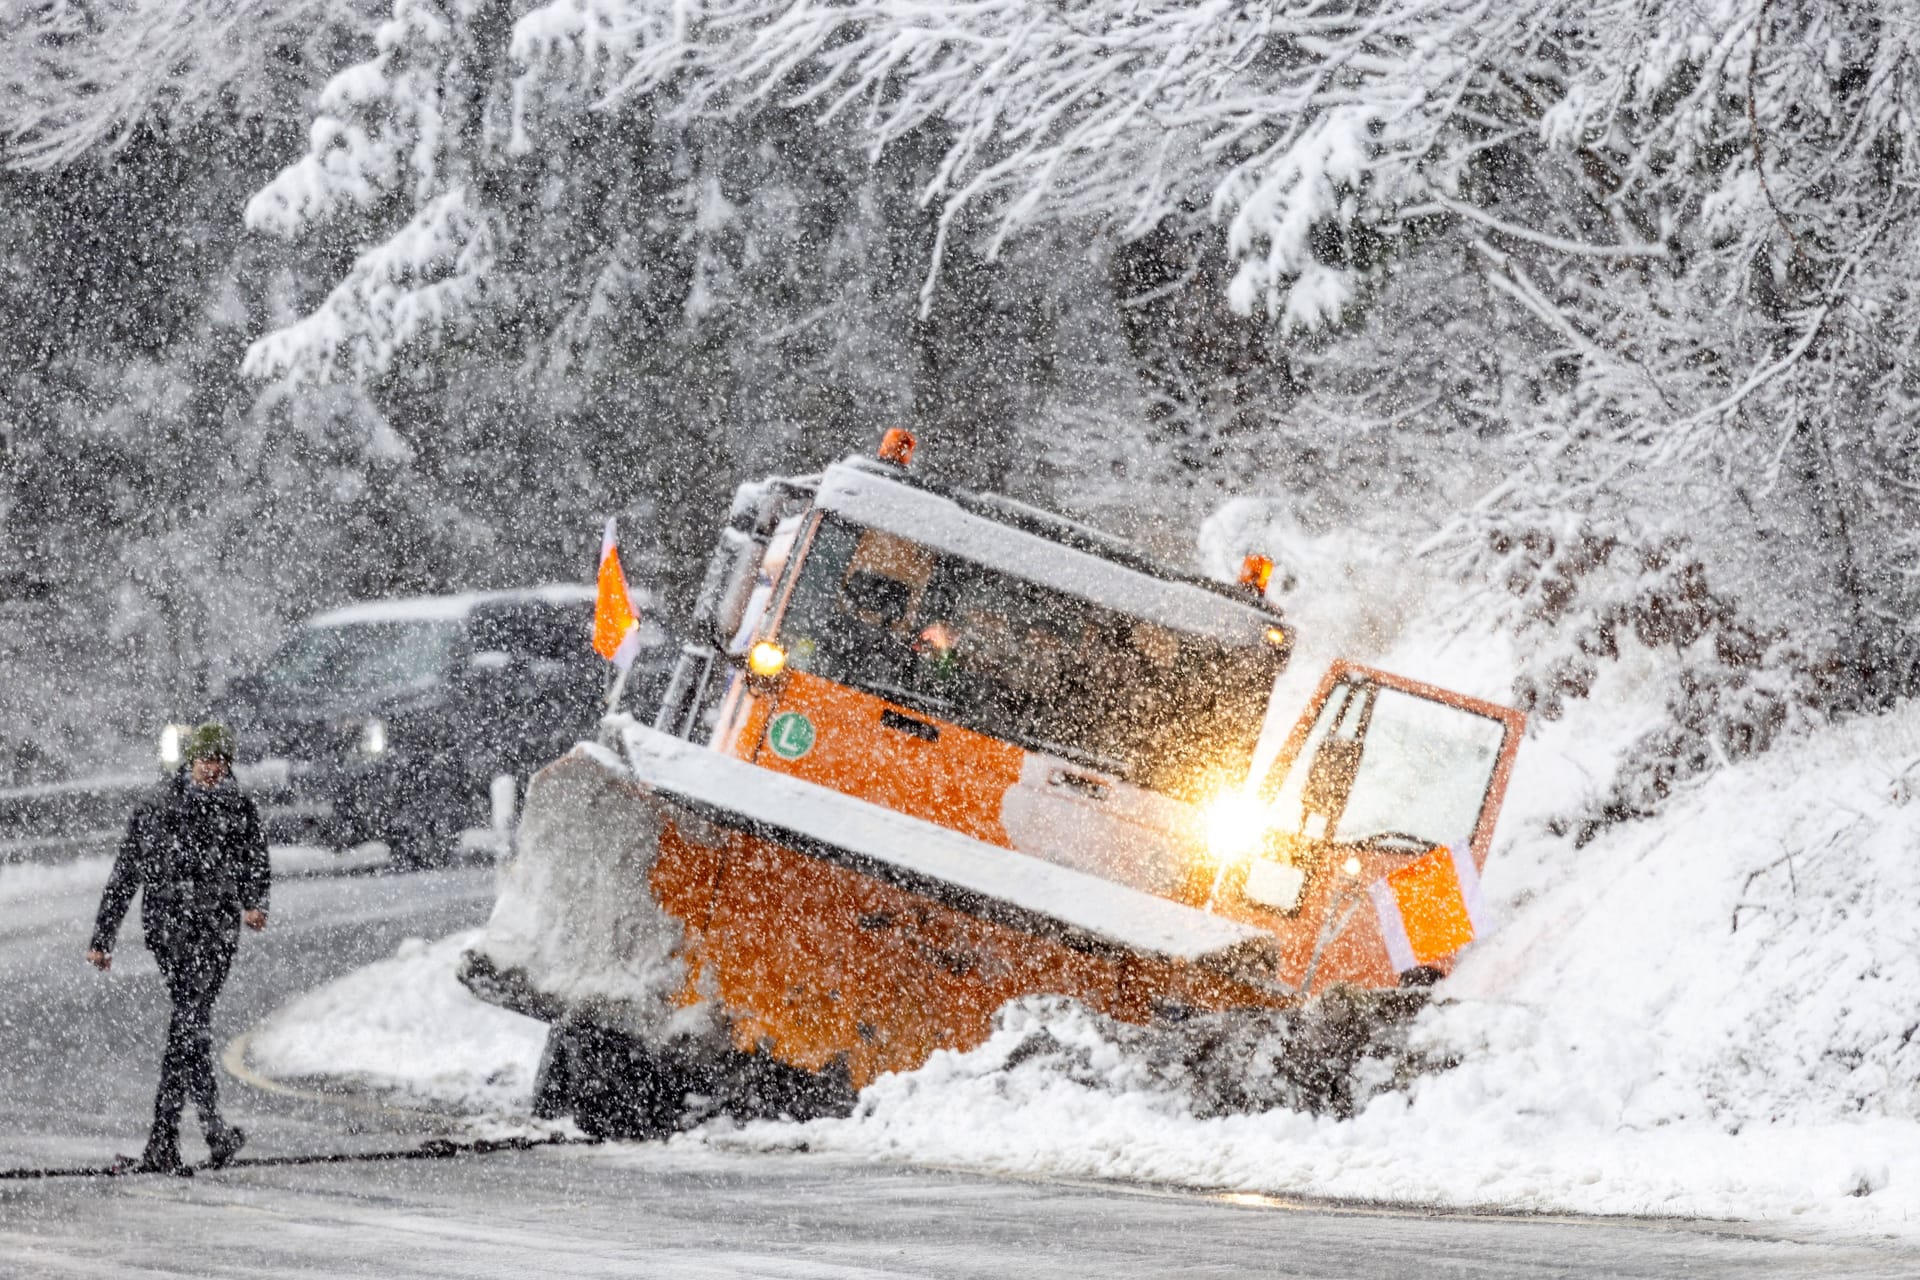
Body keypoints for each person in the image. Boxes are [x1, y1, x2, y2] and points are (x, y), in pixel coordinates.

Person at [87, 723, 270, 1175]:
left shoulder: (237, 804)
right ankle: (187, 1136)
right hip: (172, 931)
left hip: (218, 930)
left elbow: (255, 858)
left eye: (220, 761)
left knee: (190, 1026)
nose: (212, 769)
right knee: (191, 1025)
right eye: (206, 760)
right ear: (189, 761)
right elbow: (127, 871)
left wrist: (255, 901)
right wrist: (102, 937)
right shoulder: (158, 805)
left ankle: (184, 1139)